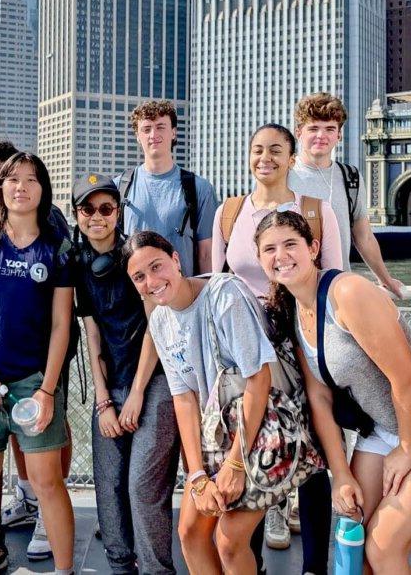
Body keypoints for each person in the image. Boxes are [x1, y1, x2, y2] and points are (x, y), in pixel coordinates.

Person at [255, 209, 411, 573]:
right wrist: (340, 474)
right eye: (270, 249)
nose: (281, 256)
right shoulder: (294, 310)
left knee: (382, 548)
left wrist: (406, 450)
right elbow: (320, 399)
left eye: (290, 244)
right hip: (383, 430)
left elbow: (408, 380)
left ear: (313, 248)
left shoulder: (348, 293)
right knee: (351, 534)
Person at [211, 123, 340, 565]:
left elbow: (334, 288)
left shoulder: (316, 210)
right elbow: (217, 287)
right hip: (245, 356)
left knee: (313, 449)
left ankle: (315, 566)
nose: (265, 158)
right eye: (257, 150)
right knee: (248, 447)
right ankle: (254, 560)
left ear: (291, 158)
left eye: (276, 151)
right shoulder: (229, 212)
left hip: (301, 347)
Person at [123, 230, 276, 575]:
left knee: (229, 541)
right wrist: (196, 476)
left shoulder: (224, 296)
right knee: (190, 532)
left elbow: (259, 378)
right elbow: (184, 398)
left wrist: (236, 466)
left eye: (157, 266)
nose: (152, 281)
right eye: (139, 277)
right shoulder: (160, 320)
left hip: (262, 429)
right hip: (219, 433)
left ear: (176, 260)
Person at [0, 152, 76, 575]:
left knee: (46, 481)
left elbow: (62, 324)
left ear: (43, 189)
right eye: (13, 180)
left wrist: (47, 390)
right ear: (0, 188)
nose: (21, 187)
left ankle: (64, 569)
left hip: (33, 381)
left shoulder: (57, 247)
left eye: (31, 179)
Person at [73, 173, 179, 575]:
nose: (97, 216)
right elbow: (92, 333)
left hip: (154, 380)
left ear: (118, 212)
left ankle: (156, 569)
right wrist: (103, 400)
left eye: (106, 208)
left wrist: (136, 393)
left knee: (143, 484)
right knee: (109, 481)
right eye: (88, 209)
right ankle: (120, 564)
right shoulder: (78, 263)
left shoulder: (136, 256)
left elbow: (156, 323)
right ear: (78, 215)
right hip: (111, 383)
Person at [288, 92, 403, 295]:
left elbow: (364, 236)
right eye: (313, 128)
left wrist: (385, 279)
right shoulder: (283, 175)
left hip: (337, 289)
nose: (321, 136)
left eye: (330, 129)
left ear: (339, 135)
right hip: (290, 290)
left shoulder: (351, 177)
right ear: (299, 132)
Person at [117, 100, 218, 276]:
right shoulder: (119, 186)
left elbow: (206, 253)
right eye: (146, 129)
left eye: (160, 127)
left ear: (173, 132)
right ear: (137, 136)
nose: (153, 134)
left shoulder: (199, 189)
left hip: (183, 297)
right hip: (132, 299)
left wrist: (205, 298)